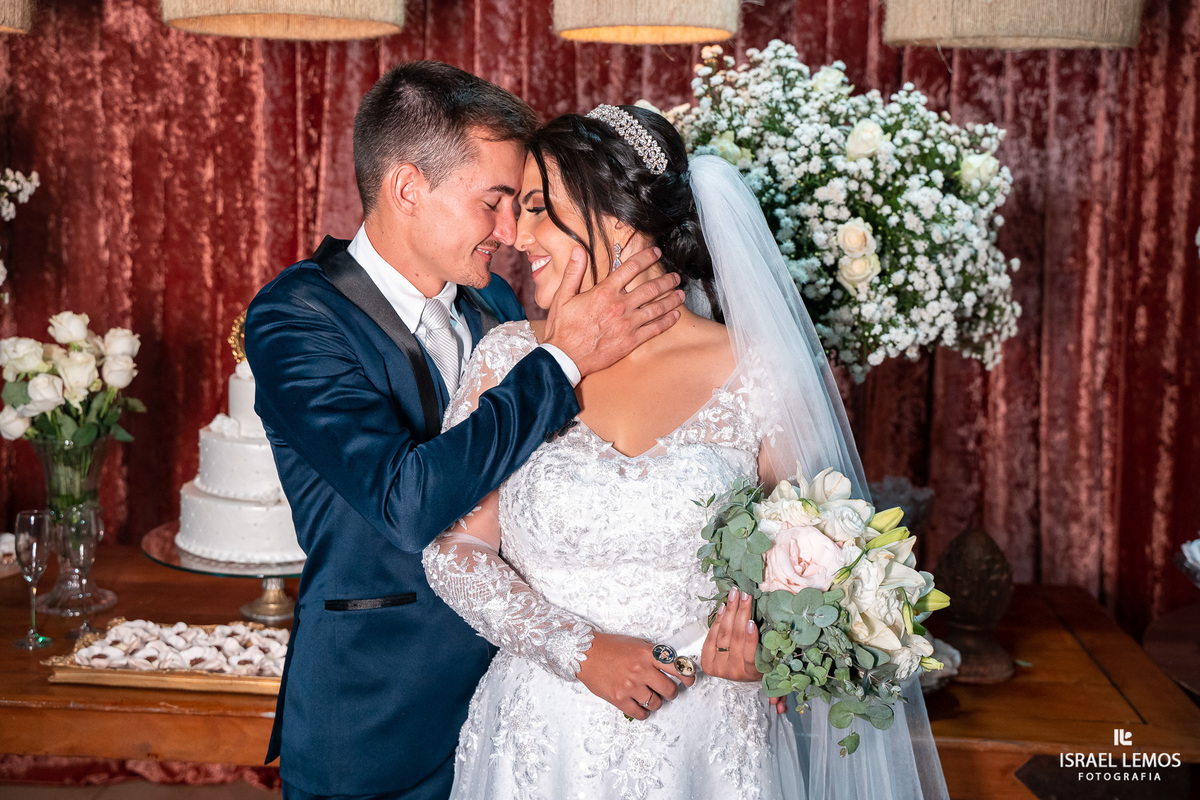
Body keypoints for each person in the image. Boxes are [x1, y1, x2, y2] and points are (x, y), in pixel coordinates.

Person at [423, 105, 951, 799]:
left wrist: (768, 649)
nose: (515, 238)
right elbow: (452, 550)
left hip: (708, 746)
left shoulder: (760, 370)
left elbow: (827, 568)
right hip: (539, 740)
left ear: (614, 219)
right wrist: (578, 651)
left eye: (537, 209)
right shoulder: (509, 359)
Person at [244, 65, 686, 800]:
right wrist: (565, 357)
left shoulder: (494, 300)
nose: (511, 233)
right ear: (408, 187)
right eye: (495, 202)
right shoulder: (295, 317)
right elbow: (406, 500)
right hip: (377, 713)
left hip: (519, 701)